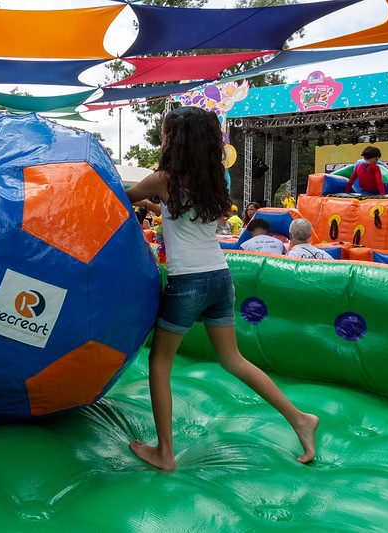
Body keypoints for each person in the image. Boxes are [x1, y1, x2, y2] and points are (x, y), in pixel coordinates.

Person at [124, 106, 318, 471]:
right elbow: (186, 217)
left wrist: (136, 194)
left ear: (174, 140)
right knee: (233, 359)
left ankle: (164, 452)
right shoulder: (212, 182)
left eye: (165, 134)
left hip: (188, 282)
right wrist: (157, 204)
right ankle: (299, 418)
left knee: (159, 362)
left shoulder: (162, 178)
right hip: (219, 277)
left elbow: (123, 196)